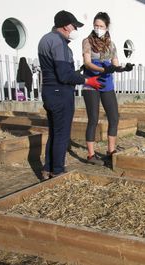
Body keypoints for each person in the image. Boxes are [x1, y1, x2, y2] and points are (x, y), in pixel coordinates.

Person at [38, 10, 104, 180]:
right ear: (66, 26)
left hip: (48, 91)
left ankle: (47, 168)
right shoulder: (59, 44)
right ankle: (58, 171)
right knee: (62, 134)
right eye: (74, 25)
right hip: (61, 93)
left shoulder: (45, 39)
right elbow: (64, 75)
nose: (75, 28)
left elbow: (57, 70)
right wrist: (87, 80)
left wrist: (74, 72)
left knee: (54, 132)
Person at [81, 12, 133, 166]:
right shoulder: (87, 42)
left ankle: (111, 151)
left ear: (107, 27)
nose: (98, 28)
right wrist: (103, 70)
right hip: (92, 83)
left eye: (101, 26)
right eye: (96, 25)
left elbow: (115, 63)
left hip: (107, 84)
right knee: (93, 119)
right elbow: (88, 63)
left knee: (114, 117)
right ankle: (91, 155)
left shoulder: (111, 44)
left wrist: (123, 69)